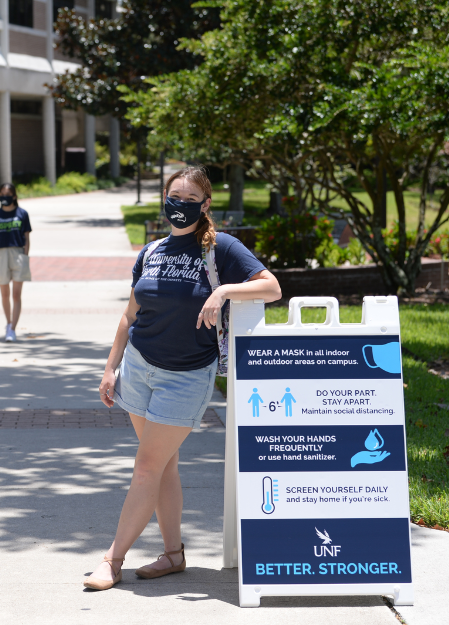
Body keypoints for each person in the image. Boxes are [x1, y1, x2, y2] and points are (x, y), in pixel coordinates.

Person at [85, 166, 282, 591]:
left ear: (205, 204)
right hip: (139, 368)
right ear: (164, 197)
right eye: (174, 196)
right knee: (163, 465)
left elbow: (272, 288)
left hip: (186, 376)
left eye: (190, 199)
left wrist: (224, 291)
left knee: (147, 466)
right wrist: (110, 367)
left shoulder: (221, 248)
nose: (180, 205)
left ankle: (111, 560)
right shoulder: (152, 251)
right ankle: (173, 555)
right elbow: (130, 314)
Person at [0, 182, 31, 342]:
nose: (4, 197)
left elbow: (27, 239)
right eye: (2, 193)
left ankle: (13, 329)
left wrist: (25, 257)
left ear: (14, 196)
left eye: (8, 194)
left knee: (16, 295)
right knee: (4, 294)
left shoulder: (22, 213)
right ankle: (8, 323)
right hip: (0, 255)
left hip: (18, 254)